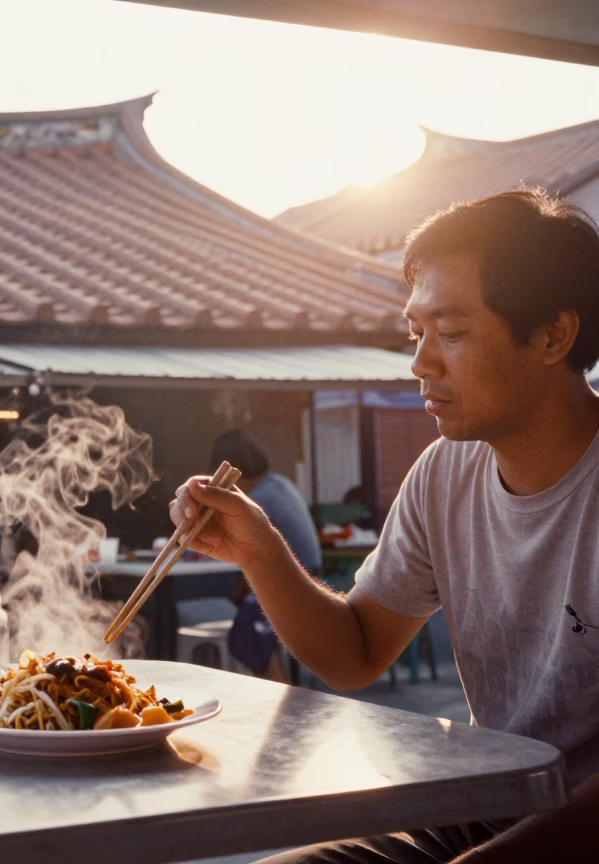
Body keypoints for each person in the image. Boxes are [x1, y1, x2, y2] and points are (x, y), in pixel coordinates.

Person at [172, 188, 599, 863]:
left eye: (451, 333)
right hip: (488, 806)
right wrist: (259, 551)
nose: (421, 363)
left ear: (552, 335)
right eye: (416, 332)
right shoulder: (443, 475)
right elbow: (355, 652)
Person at [208, 430, 321, 682]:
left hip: (294, 582)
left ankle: (277, 693)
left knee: (247, 634)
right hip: (311, 576)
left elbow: (252, 553)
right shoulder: (280, 483)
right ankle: (277, 690)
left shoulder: (258, 499)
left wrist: (241, 589)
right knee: (251, 626)